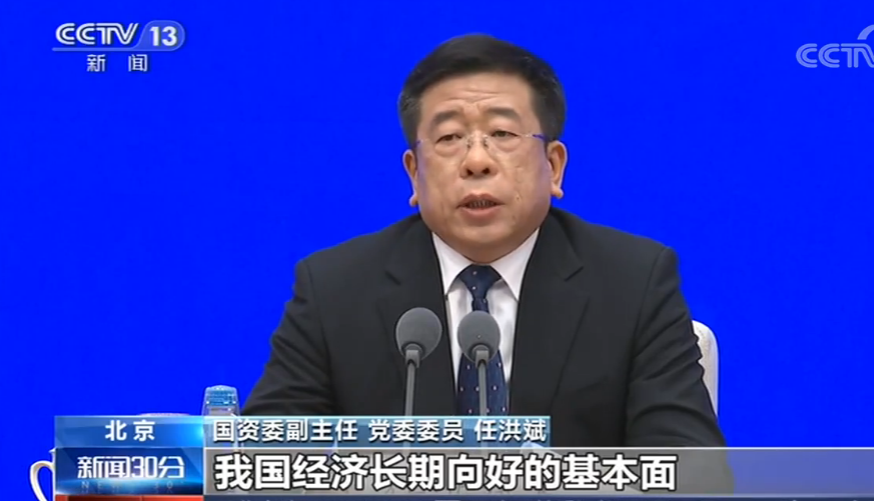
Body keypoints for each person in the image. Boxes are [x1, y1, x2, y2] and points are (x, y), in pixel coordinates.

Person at [243, 34, 726, 451]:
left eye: (502, 132)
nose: (477, 160)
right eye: (450, 137)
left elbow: (688, 466)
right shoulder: (335, 288)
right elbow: (265, 462)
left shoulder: (633, 282)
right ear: (414, 173)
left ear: (554, 167)